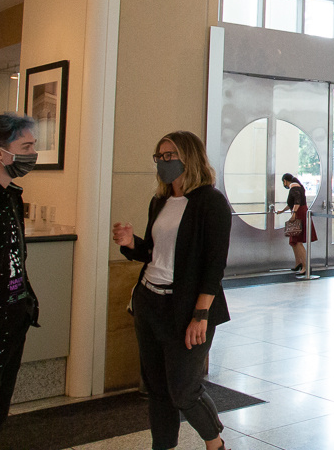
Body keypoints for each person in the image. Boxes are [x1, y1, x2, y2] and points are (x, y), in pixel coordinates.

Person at [112, 131, 232, 450]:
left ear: (189, 158)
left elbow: (214, 265)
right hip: (149, 302)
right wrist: (130, 243)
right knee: (157, 389)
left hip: (187, 309)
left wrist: (201, 314)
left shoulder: (211, 201)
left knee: (184, 390)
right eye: (159, 156)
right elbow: (153, 252)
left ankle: (215, 443)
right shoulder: (161, 200)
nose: (163, 162)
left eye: (170, 156)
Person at [0, 113, 40, 450]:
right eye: (25, 147)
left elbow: (17, 257)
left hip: (14, 316)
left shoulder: (10, 196)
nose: (33, 154)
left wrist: (27, 301)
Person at [278, 173, 316, 275]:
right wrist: (282, 211)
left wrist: (294, 214)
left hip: (299, 215)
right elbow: (292, 203)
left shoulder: (294, 187)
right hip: (299, 214)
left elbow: (297, 202)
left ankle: (305, 266)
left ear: (285, 181)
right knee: (293, 241)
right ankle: (298, 263)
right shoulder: (298, 186)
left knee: (298, 241)